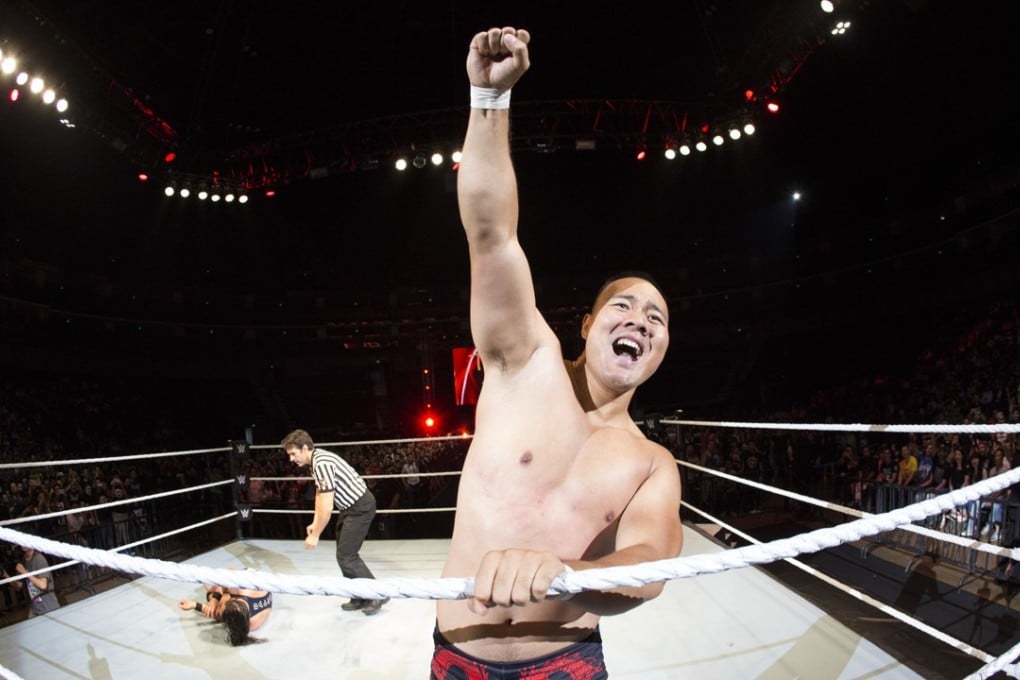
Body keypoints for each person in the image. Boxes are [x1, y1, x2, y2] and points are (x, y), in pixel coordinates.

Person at [432, 27, 682, 678]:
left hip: (564, 662)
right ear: (588, 324)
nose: (640, 320)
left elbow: (651, 565)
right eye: (624, 305)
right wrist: (486, 100)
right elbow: (490, 234)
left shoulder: (651, 465)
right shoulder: (523, 364)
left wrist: (563, 575)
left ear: (660, 351)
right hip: (460, 656)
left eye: (656, 317)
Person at [280, 428, 388, 615]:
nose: (291, 459)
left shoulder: (321, 464)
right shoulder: (316, 461)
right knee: (343, 555)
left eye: (293, 454)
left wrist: (315, 535)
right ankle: (359, 595)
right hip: (349, 509)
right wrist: (315, 523)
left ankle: (377, 593)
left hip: (360, 508)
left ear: (304, 448)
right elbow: (319, 494)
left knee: (347, 556)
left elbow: (327, 506)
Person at [178, 582, 272, 645]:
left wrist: (195, 605)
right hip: (249, 577)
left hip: (240, 595)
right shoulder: (240, 587)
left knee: (208, 587)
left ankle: (214, 596)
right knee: (209, 584)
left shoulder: (250, 624)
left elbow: (219, 615)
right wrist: (215, 599)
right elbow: (224, 573)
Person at [13, 546, 61, 617]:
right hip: (34, 607)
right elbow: (19, 586)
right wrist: (6, 576)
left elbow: (43, 585)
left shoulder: (39, 559)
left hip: (48, 606)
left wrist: (24, 572)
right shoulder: (23, 560)